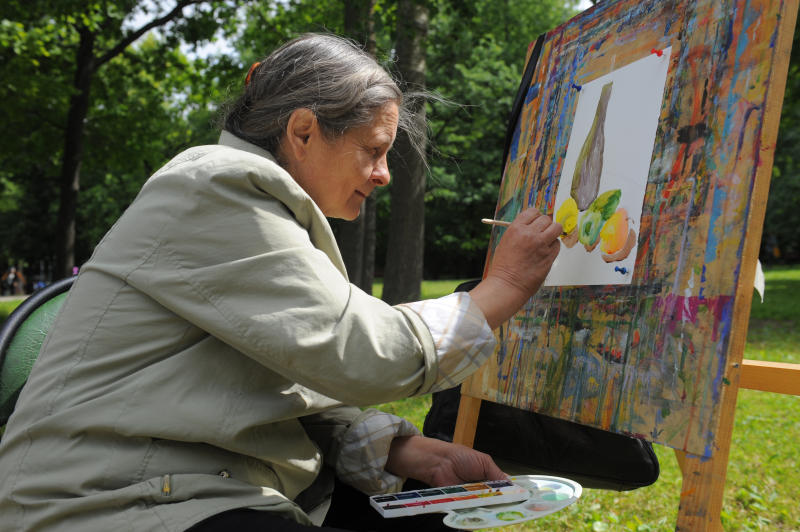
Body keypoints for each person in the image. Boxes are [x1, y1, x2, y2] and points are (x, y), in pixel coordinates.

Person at [0, 33, 561, 531]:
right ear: (304, 131)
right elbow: (361, 353)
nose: (385, 174)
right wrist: (504, 284)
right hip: (104, 500)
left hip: (183, 486)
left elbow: (278, 391)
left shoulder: (262, 209)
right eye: (374, 150)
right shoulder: (217, 186)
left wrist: (398, 449)